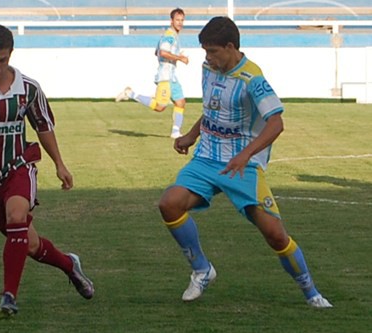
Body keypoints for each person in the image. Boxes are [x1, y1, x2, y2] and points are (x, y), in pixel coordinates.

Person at [158, 16, 332, 308]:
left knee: (275, 235)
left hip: (242, 166)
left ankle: (311, 291)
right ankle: (202, 270)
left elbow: (276, 123)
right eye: (205, 51)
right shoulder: (208, 68)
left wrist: (246, 154)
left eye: (212, 51)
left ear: (230, 46)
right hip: (207, 158)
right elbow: (213, 110)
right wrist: (190, 135)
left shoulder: (253, 79)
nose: (207, 57)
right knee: (169, 203)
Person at [0, 24, 94, 317]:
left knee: (16, 215)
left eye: (1, 60)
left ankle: (9, 295)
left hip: (18, 166)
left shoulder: (29, 88)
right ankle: (69, 265)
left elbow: (43, 126)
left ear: (10, 54)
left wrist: (60, 164)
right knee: (30, 244)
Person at [115, 8, 188, 139]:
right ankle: (130, 93)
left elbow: (157, 52)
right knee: (160, 106)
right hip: (165, 76)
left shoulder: (173, 36)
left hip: (172, 76)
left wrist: (175, 57)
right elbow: (162, 52)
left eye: (182, 20)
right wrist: (179, 58)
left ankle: (175, 132)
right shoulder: (169, 36)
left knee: (180, 102)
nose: (180, 23)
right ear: (171, 21)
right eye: (177, 20)